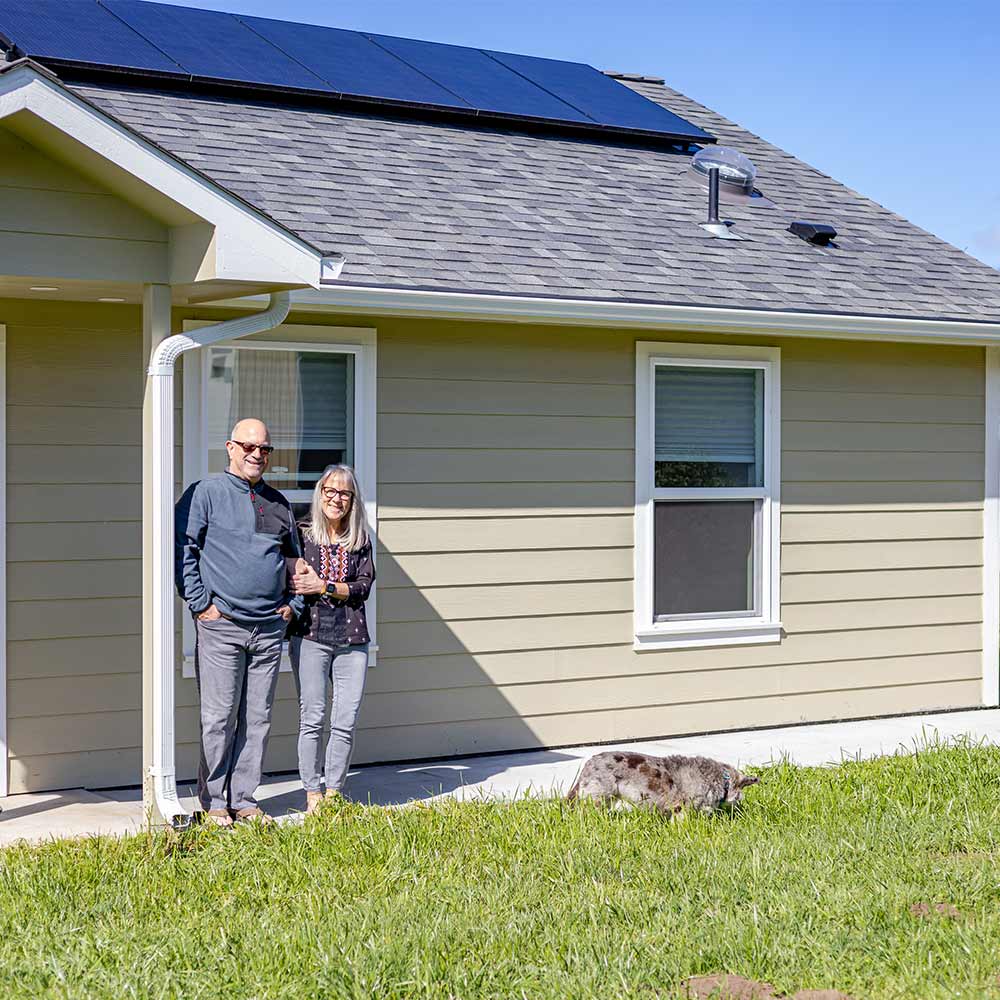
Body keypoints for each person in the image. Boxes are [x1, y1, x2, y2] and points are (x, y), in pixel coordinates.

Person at [175, 418, 299, 827]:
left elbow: (296, 561)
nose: (256, 454)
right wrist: (200, 604)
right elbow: (182, 548)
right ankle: (212, 803)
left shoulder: (278, 503)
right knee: (219, 716)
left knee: (258, 718)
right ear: (230, 447)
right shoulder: (205, 493)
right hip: (222, 623)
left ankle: (244, 800)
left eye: (264, 449)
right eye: (248, 446)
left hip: (268, 627)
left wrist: (292, 608)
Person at [288, 464, 375, 813]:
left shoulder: (361, 540)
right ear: (320, 492)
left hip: (352, 640)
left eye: (345, 493)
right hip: (310, 635)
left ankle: (334, 791)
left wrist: (323, 586)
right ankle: (313, 792)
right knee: (312, 716)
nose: (337, 499)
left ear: (353, 501)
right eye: (331, 491)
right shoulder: (302, 534)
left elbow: (363, 587)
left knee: (345, 719)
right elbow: (293, 581)